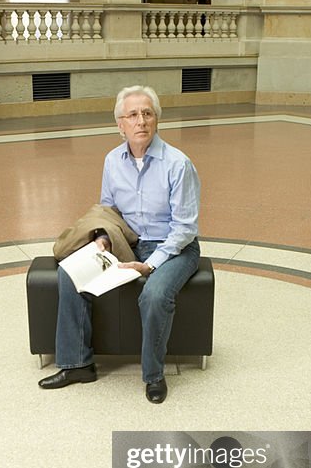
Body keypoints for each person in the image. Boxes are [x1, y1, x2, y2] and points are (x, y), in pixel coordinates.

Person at [39, 85, 201, 403]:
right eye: (133, 115)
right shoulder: (113, 160)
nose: (140, 120)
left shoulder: (178, 164)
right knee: (70, 273)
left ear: (156, 120)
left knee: (153, 295)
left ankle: (153, 376)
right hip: (126, 242)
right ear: (120, 124)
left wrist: (151, 264)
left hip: (174, 248)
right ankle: (77, 364)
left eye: (147, 113)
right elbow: (108, 211)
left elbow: (184, 229)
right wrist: (102, 239)